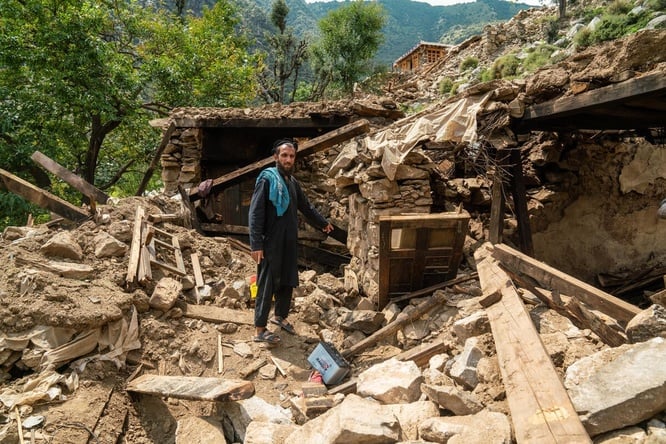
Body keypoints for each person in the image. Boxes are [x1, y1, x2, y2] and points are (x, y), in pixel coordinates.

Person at [248, 138, 334, 344]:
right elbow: (255, 213)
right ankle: (260, 330)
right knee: (267, 283)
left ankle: (279, 316)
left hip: (288, 240)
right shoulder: (266, 180)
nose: (288, 159)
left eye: (291, 156)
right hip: (270, 242)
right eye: (284, 155)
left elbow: (306, 207)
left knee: (287, 279)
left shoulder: (292, 182)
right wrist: (256, 244)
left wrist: (323, 223)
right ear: (276, 157)